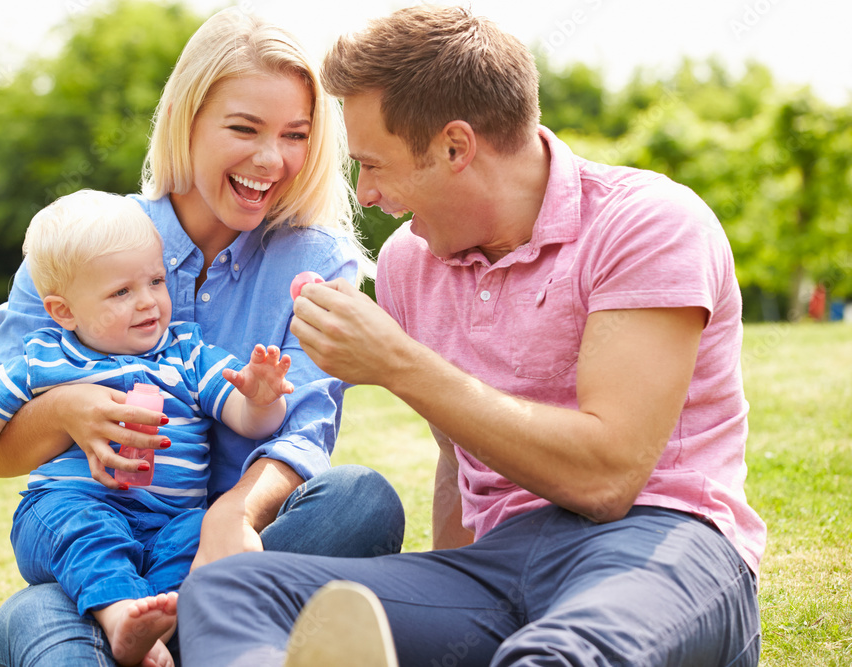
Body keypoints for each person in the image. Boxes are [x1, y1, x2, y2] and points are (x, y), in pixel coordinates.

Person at [176, 6, 766, 666]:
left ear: (455, 147)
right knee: (229, 590)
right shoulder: (409, 262)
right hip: (497, 568)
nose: (365, 194)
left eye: (373, 164)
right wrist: (443, 593)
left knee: (561, 655)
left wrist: (400, 364)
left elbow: (607, 477)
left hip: (659, 543)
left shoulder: (648, 224)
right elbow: (460, 460)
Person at [0, 9, 405, 666]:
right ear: (187, 118)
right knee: (31, 615)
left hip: (247, 545)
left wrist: (232, 515)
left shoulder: (316, 261)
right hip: (107, 557)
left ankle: (178, 633)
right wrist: (65, 409)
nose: (271, 159)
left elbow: (303, 432)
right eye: (244, 128)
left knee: (359, 500)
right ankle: (202, 639)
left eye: (295, 134)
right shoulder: (78, 247)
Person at [0, 189, 298, 666]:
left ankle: (158, 624)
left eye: (155, 280)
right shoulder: (46, 360)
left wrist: (260, 396)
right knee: (87, 529)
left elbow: (248, 418)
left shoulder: (185, 353)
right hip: (70, 507)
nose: (148, 301)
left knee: (202, 535)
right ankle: (119, 615)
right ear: (63, 311)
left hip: (170, 521)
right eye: (121, 292)